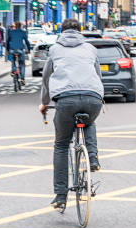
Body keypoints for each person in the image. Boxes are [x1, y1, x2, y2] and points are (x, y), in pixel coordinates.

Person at [39, 18, 104, 210]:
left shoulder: (54, 50)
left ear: (61, 30)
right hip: (93, 98)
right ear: (80, 31)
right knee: (90, 122)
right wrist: (99, 96)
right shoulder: (90, 48)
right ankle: (92, 158)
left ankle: (60, 196)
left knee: (61, 145)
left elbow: (46, 78)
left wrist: (44, 103)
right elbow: (98, 76)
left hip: (65, 100)